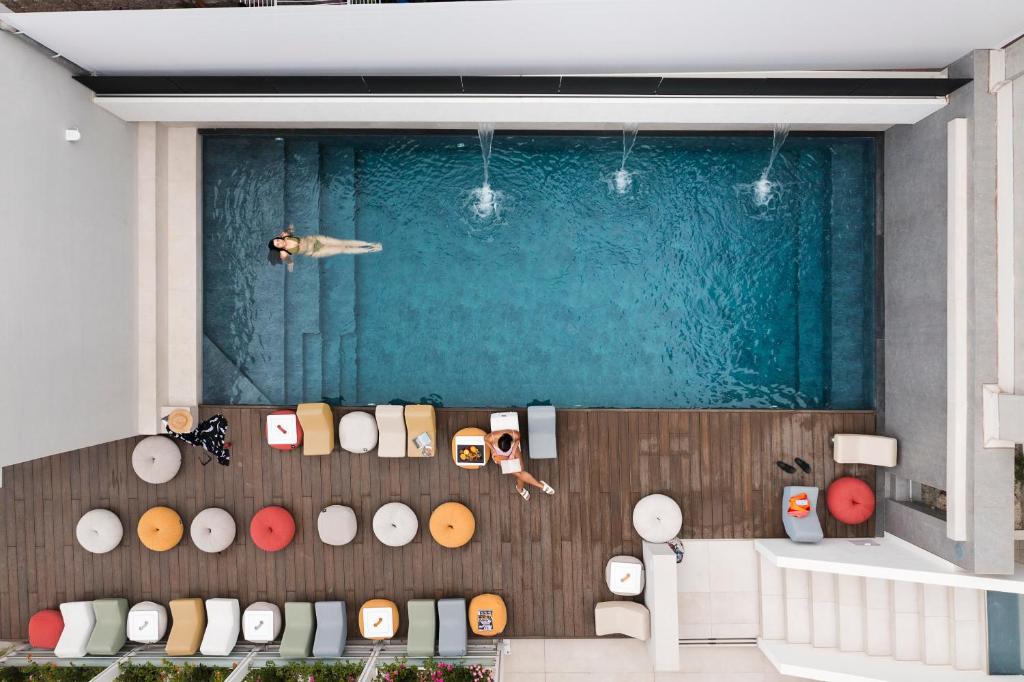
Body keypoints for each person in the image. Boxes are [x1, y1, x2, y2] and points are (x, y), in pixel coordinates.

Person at [485, 428, 555, 501]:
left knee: (520, 472)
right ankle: (540, 485)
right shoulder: (492, 437)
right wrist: (493, 449)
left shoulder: (514, 434)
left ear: (510, 441)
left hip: (513, 451)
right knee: (519, 473)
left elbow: (517, 440)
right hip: (499, 455)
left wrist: (512, 453)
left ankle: (520, 488)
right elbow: (485, 439)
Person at [268, 225, 382, 269]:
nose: (279, 242)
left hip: (316, 239)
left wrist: (288, 229)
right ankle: (370, 250)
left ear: (278, 238)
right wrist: (287, 262)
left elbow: (292, 226)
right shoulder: (284, 253)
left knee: (343, 242)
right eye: (277, 244)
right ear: (278, 248)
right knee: (343, 249)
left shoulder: (286, 236)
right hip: (316, 251)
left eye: (277, 240)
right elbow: (290, 265)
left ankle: (370, 243)